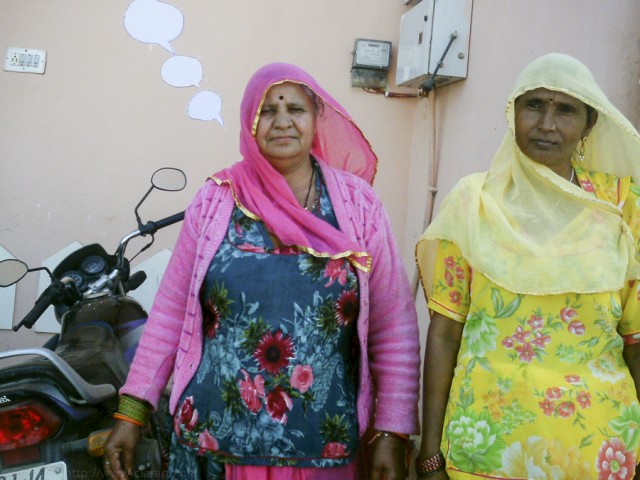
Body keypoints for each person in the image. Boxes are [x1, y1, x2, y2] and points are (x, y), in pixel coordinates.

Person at [103, 62, 421, 480]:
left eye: (296, 109)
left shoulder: (358, 207)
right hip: (216, 447)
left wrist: (392, 432)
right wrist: (131, 412)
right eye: (267, 111)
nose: (282, 122)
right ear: (249, 121)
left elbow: (393, 327)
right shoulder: (216, 201)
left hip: (325, 448)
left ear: (316, 117)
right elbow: (169, 315)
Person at [415, 53, 640, 479]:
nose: (547, 124)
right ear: (512, 112)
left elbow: (636, 338)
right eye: (534, 104)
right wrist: (429, 454)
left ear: (589, 124)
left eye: (566, 109)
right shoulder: (474, 202)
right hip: (483, 451)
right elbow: (444, 331)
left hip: (597, 453)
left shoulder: (622, 207)